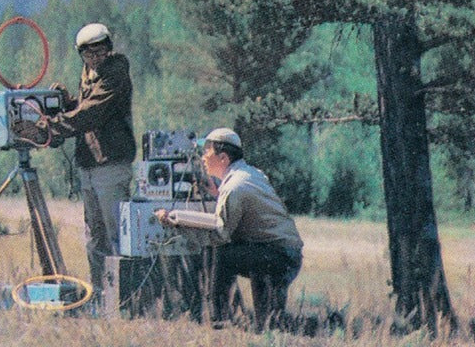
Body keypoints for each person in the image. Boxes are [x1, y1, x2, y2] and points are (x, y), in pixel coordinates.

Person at [155, 128, 304, 331]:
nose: (203, 157)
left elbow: (220, 234)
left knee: (221, 250)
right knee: (269, 324)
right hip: (284, 254)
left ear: (223, 158)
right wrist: (217, 194)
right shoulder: (250, 174)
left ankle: (219, 320)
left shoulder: (234, 187)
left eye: (207, 152)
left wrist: (177, 224)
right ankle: (321, 324)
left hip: (276, 255)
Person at [37, 23, 135, 300]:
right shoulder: (90, 74)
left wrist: (49, 128)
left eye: (101, 51)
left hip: (110, 163)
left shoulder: (115, 72)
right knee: (95, 235)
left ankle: (122, 298)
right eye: (90, 54)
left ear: (109, 49)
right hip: (90, 163)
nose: (96, 58)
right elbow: (83, 110)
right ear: (82, 55)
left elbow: (92, 114)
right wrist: (67, 104)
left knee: (117, 234)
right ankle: (101, 294)